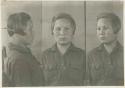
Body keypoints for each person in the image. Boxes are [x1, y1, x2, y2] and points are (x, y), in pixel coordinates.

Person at [41, 13, 86, 86]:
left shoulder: (82, 55)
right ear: (52, 31)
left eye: (67, 29)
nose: (62, 33)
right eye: (58, 29)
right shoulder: (45, 55)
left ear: (73, 31)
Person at [3, 12, 45, 86]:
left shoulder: (23, 54)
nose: (33, 33)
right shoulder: (19, 60)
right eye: (30, 29)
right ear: (18, 32)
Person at [86, 12, 124, 86]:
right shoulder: (91, 55)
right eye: (98, 29)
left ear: (116, 30)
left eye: (105, 28)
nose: (101, 32)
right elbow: (88, 83)